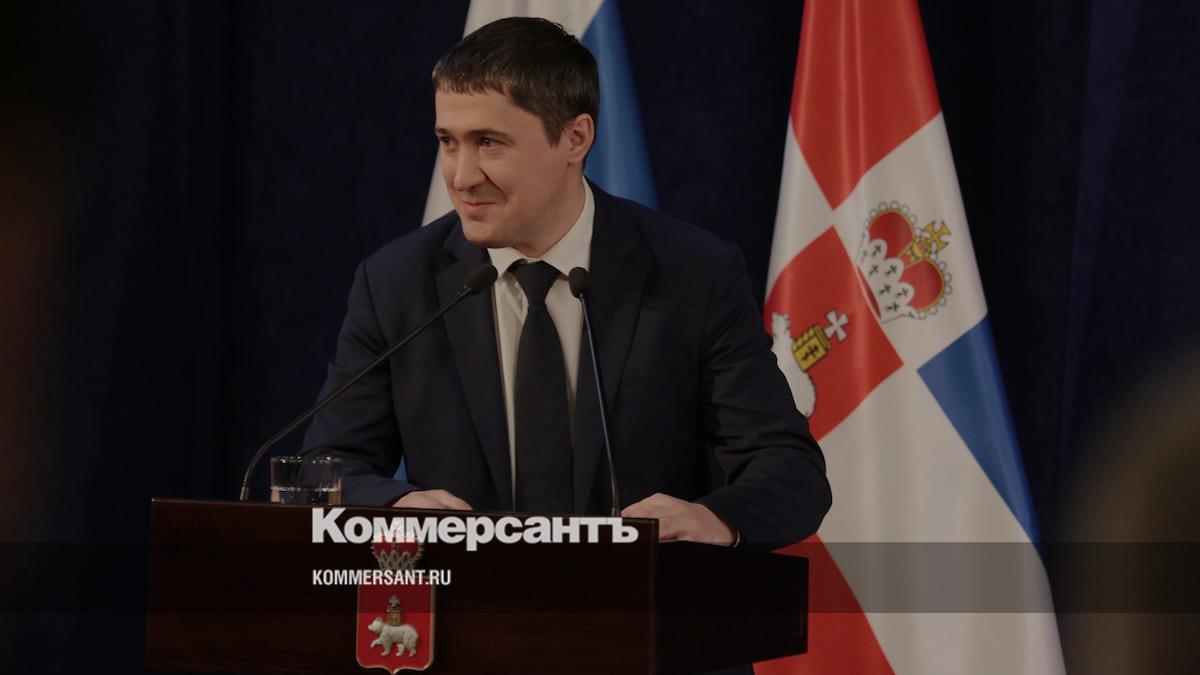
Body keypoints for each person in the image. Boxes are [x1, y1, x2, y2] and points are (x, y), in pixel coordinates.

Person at [301, 17, 830, 547]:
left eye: (489, 143)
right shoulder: (396, 283)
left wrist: (714, 520)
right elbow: (325, 467)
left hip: (635, 592)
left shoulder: (692, 273)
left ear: (575, 138)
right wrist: (395, 505)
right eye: (448, 141)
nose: (462, 176)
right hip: (463, 592)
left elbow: (788, 469)